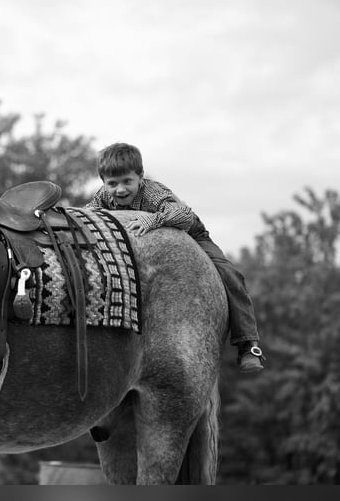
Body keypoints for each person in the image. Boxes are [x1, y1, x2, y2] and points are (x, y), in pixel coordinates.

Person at [85, 142, 265, 373]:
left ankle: (248, 344)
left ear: (140, 176)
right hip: (142, 247)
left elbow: (183, 214)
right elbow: (89, 213)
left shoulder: (152, 192)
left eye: (127, 181)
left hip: (192, 234)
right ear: (104, 183)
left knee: (230, 274)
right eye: (112, 184)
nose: (120, 190)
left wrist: (150, 219)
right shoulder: (103, 198)